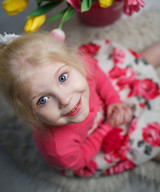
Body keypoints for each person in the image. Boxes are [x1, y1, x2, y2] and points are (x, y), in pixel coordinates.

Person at [0, 32, 160, 177]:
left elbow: (97, 75)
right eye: (43, 100)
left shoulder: (81, 68)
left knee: (133, 66)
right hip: (93, 139)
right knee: (144, 141)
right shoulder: (58, 149)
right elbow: (80, 159)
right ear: (28, 112)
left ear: (74, 62)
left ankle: (144, 63)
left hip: (99, 101)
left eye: (62, 78)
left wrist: (113, 100)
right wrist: (107, 128)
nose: (65, 100)